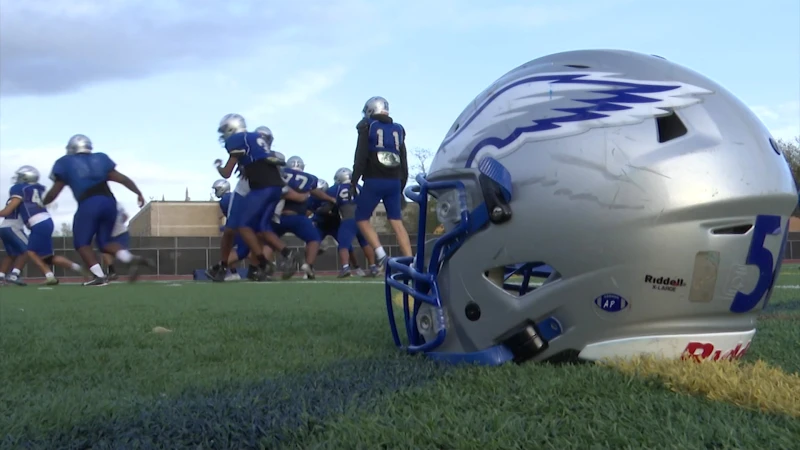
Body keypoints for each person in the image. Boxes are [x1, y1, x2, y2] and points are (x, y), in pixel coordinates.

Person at [43, 134, 153, 286]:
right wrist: (138, 193)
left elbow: (55, 191)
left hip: (89, 202)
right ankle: (128, 257)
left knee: (82, 243)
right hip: (109, 202)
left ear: (72, 148)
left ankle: (99, 276)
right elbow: (123, 179)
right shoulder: (101, 159)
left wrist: (43, 202)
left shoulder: (65, 162)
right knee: (104, 242)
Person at [351, 96, 412, 270]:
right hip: (394, 181)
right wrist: (401, 186)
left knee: (361, 218)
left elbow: (361, 156)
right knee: (396, 221)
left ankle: (382, 256)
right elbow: (404, 160)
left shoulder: (367, 126)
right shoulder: (399, 129)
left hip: (374, 180)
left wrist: (354, 181)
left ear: (371, 110)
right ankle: (410, 261)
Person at [0, 165, 85, 285]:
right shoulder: (39, 189)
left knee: (29, 251)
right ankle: (77, 268)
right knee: (46, 257)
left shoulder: (19, 189)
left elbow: (8, 210)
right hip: (46, 221)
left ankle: (45, 276)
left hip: (37, 222)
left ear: (25, 178)